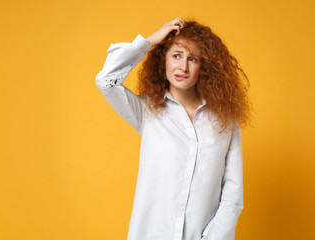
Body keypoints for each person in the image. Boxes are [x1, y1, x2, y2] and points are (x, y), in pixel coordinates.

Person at [95, 18, 251, 240]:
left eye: (192, 59)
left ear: (203, 67)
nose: (183, 67)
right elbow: (106, 80)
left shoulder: (225, 121)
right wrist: (149, 42)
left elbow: (232, 198)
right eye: (176, 55)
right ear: (163, 60)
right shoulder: (147, 111)